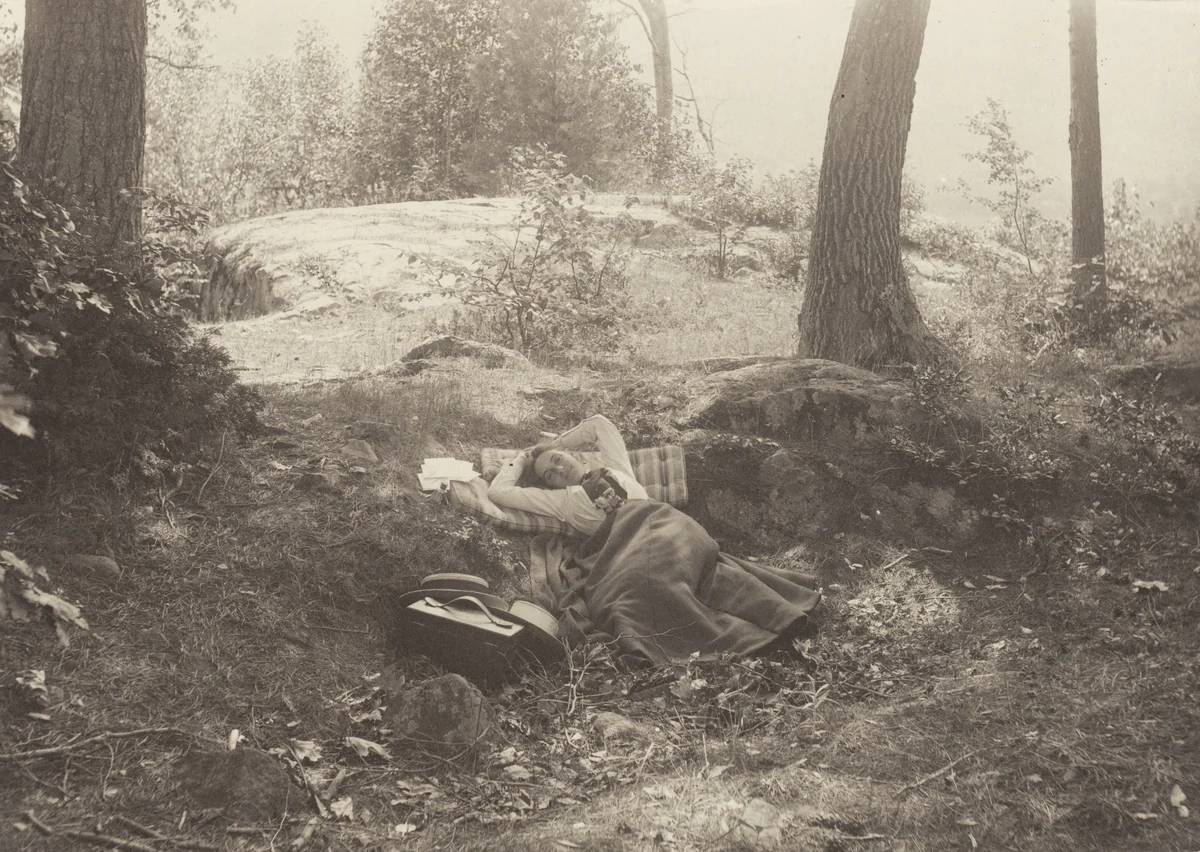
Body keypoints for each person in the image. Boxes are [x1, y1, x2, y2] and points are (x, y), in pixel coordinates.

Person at [488, 414, 648, 535]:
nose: (560, 469)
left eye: (558, 458)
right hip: (633, 544)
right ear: (549, 487)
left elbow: (598, 423)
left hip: (659, 519)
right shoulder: (560, 500)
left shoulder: (617, 469)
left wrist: (556, 444)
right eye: (550, 475)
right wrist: (520, 458)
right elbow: (498, 492)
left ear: (568, 454)